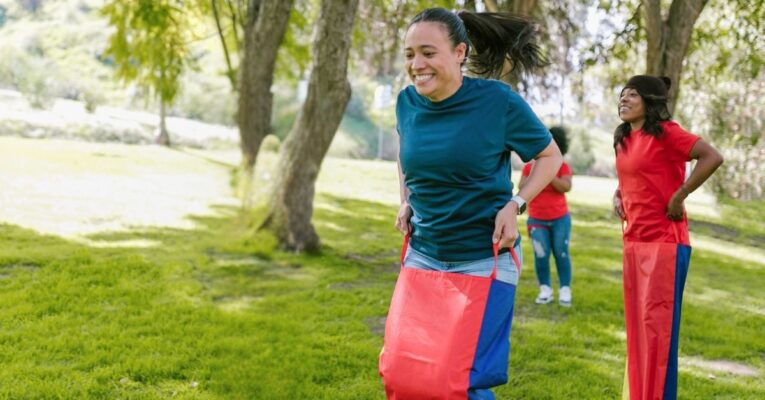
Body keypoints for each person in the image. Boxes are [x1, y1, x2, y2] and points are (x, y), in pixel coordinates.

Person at [393, 7, 563, 399]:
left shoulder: (497, 102)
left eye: (428, 53)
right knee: (408, 374)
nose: (416, 64)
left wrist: (516, 203)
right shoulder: (407, 103)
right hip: (423, 255)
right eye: (409, 54)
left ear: (460, 53)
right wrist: (406, 200)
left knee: (461, 382)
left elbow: (549, 156)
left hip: (484, 259)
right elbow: (406, 155)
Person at [613, 75, 723, 400]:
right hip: (633, 241)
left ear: (650, 102)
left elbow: (712, 156)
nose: (624, 99)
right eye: (622, 94)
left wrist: (681, 194)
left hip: (665, 244)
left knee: (657, 332)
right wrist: (618, 193)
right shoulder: (623, 138)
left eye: (633, 95)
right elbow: (636, 174)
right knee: (638, 329)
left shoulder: (667, 133)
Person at [519, 126, 573, 306]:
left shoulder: (562, 165)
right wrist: (538, 170)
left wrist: (548, 173)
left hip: (560, 219)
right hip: (537, 219)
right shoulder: (529, 167)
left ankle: (565, 290)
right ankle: (545, 290)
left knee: (561, 253)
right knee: (541, 255)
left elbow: (566, 187)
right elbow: (522, 187)